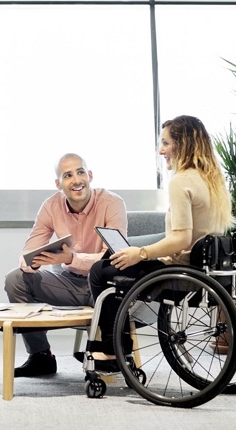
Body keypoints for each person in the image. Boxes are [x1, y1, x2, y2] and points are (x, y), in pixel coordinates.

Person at [88, 114, 235, 371]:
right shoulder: (212, 180)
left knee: (100, 271)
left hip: (181, 276)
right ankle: (118, 346)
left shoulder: (181, 181)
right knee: (112, 260)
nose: (161, 150)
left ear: (183, 144)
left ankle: (114, 350)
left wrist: (141, 253)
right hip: (208, 275)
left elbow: (181, 239)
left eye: (166, 143)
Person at [4, 153, 127, 377]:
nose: (76, 180)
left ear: (90, 175)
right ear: (58, 184)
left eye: (80, 172)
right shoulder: (51, 206)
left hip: (102, 284)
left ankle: (113, 354)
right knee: (16, 279)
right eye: (68, 175)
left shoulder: (112, 203)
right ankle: (41, 356)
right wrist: (35, 262)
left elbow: (114, 258)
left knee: (110, 280)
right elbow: (27, 253)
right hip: (68, 282)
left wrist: (72, 258)